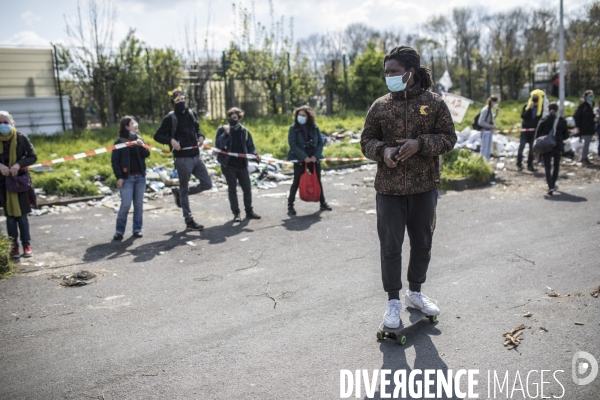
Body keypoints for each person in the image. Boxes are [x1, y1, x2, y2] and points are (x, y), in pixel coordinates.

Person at [360, 46, 456, 329]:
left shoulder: (435, 103)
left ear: (410, 72)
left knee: (422, 244)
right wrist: (384, 151)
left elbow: (449, 138)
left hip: (424, 187)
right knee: (390, 246)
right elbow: (366, 142)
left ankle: (415, 293)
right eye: (386, 72)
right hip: (388, 190)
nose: (389, 76)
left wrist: (420, 144)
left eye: (394, 72)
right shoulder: (380, 106)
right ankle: (392, 301)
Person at [154, 87, 212, 231]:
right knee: (185, 188)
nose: (181, 101)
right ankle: (189, 220)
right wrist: (171, 140)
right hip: (182, 159)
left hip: (196, 156)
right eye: (177, 100)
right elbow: (158, 135)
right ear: (173, 103)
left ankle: (180, 193)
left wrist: (201, 136)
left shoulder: (191, 113)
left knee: (207, 184)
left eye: (182, 99)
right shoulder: (170, 118)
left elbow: (197, 129)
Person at [0, 111, 37, 259]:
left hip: (19, 182)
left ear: (11, 123)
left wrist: (18, 164)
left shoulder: (21, 138)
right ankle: (14, 246)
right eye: (0, 122)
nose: (2, 125)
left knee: (22, 216)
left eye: (5, 122)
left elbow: (33, 156)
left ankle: (26, 245)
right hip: (2, 183)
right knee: (10, 217)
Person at [215, 107, 261, 222]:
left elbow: (251, 147)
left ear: (239, 119)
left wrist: (255, 155)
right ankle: (236, 213)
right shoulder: (222, 130)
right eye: (230, 117)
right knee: (232, 189)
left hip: (242, 165)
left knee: (247, 188)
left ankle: (249, 211)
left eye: (234, 118)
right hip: (228, 164)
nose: (232, 119)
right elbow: (218, 145)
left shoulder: (244, 131)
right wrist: (226, 133)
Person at [286, 105, 331, 216]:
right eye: (299, 115)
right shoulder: (293, 128)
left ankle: (322, 202)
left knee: (317, 180)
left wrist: (316, 156)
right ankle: (290, 206)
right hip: (301, 159)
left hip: (314, 158)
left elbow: (320, 143)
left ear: (308, 117)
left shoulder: (314, 128)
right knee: (296, 181)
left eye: (303, 115)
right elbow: (293, 144)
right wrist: (304, 157)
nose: (300, 117)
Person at [111, 116, 150, 240]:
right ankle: (119, 231)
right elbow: (115, 161)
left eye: (135, 122)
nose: (136, 124)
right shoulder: (119, 143)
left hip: (140, 178)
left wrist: (140, 145)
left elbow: (147, 154)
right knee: (125, 205)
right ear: (126, 126)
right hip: (127, 178)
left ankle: (137, 229)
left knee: (138, 205)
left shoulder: (139, 140)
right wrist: (119, 176)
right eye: (133, 123)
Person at [534, 103, 569, 196]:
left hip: (546, 146)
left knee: (547, 167)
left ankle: (550, 186)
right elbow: (566, 135)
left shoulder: (544, 120)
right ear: (557, 109)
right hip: (558, 145)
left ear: (548, 109)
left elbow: (537, 135)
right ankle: (553, 183)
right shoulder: (562, 121)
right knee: (556, 166)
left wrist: (536, 148)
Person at [518, 90, 545, 171]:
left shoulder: (541, 108)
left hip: (534, 131)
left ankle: (530, 165)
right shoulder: (526, 106)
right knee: (521, 147)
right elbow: (523, 116)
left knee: (532, 148)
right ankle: (519, 164)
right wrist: (529, 109)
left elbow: (540, 119)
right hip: (525, 129)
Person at [573, 90, 595, 165]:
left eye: (592, 95)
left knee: (587, 143)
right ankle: (583, 158)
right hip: (585, 127)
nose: (591, 97)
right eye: (590, 96)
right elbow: (576, 116)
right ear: (585, 97)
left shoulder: (590, 105)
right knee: (586, 143)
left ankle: (584, 157)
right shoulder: (583, 106)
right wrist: (578, 126)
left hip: (590, 127)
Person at [477, 95, 499, 162]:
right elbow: (480, 122)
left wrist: (496, 114)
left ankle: (487, 163)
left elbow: (490, 119)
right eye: (496, 102)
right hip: (485, 132)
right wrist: (491, 126)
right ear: (492, 101)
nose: (496, 104)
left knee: (488, 150)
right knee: (484, 149)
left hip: (489, 132)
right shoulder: (485, 110)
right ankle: (482, 163)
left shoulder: (490, 109)